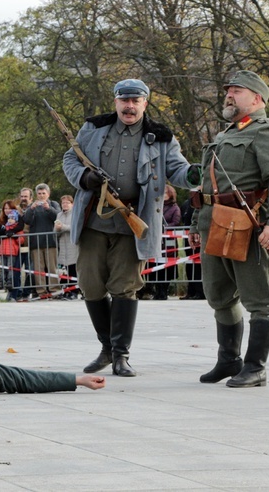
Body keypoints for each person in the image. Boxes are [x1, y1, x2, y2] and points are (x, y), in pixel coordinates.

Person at [63, 78, 200, 377]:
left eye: (136, 100)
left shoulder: (161, 137)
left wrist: (194, 175)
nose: (129, 106)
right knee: (90, 285)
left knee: (125, 288)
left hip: (132, 221)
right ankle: (106, 347)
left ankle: (120, 355)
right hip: (93, 220)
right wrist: (83, 178)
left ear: (144, 104)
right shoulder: (93, 128)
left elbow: (177, 169)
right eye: (124, 100)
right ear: (115, 102)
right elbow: (70, 158)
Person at [189, 70, 269, 388]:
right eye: (228, 91)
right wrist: (196, 223)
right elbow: (208, 184)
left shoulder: (267, 132)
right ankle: (228, 360)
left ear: (257, 98)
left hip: (249, 226)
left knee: (259, 298)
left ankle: (255, 367)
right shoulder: (224, 135)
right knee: (218, 295)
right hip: (215, 223)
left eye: (237, 91)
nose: (229, 95)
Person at [24, 183, 61, 297]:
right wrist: (31, 209)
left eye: (43, 193)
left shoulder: (53, 204)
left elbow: (58, 217)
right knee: (38, 269)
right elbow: (26, 220)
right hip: (36, 242)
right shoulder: (32, 206)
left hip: (51, 241)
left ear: (48, 194)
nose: (41, 196)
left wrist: (48, 209)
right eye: (39, 194)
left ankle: (54, 290)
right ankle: (41, 291)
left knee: (52, 268)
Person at [0, 200, 24, 301]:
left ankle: (14, 290)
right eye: (5, 208)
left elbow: (21, 237)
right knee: (3, 268)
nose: (7, 210)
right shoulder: (1, 222)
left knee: (12, 269)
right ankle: (3, 283)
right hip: (3, 249)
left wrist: (14, 235)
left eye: (9, 208)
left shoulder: (18, 223)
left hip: (12, 249)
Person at [179, 198, 205, 300]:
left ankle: (200, 291)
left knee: (198, 267)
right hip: (189, 238)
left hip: (199, 238)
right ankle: (191, 291)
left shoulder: (201, 200)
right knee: (189, 266)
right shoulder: (186, 203)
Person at [54, 194, 79, 299]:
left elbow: (76, 228)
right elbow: (55, 231)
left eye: (67, 203)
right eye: (63, 203)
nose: (65, 205)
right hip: (62, 247)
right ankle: (66, 291)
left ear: (72, 204)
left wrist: (63, 227)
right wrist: (57, 230)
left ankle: (75, 291)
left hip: (73, 245)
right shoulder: (59, 215)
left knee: (73, 270)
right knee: (64, 271)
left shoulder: (75, 214)